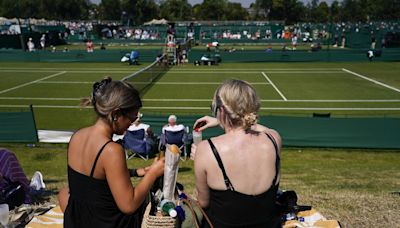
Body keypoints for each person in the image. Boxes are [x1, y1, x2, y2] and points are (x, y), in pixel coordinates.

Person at [58, 77, 165, 227]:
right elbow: (129, 205)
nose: (132, 123)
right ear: (115, 114)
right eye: (132, 118)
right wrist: (153, 173)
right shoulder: (112, 150)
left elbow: (94, 180)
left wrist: (135, 172)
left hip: (77, 220)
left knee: (64, 192)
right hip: (104, 223)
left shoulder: (77, 136)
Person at [191, 79, 282, 227]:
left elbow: (203, 203)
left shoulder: (206, 150)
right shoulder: (274, 139)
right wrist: (222, 120)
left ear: (220, 110)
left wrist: (220, 121)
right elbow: (260, 129)